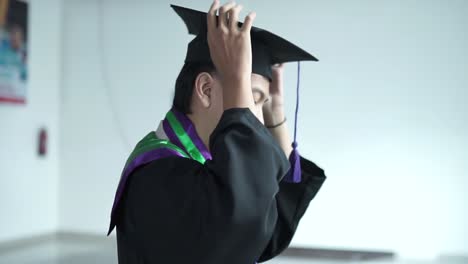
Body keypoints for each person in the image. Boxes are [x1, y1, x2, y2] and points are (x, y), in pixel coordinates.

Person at [108, 1, 326, 263]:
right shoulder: (158, 174)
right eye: (252, 99)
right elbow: (243, 220)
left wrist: (275, 113)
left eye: (260, 104)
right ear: (206, 90)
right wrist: (237, 79)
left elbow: (268, 230)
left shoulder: (204, 169)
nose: (257, 119)